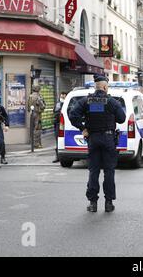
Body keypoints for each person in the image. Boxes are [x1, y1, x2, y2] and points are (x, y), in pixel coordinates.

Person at [69, 75, 126, 213]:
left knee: (94, 171)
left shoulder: (86, 101)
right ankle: (108, 203)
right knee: (109, 171)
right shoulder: (111, 101)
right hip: (108, 139)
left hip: (93, 139)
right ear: (105, 87)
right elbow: (122, 119)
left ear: (95, 87)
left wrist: (83, 128)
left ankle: (93, 203)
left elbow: (72, 115)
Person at [52, 91, 67, 163]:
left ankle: (63, 155)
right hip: (58, 124)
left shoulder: (67, 103)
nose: (62, 96)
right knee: (58, 140)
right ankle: (58, 156)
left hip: (66, 124)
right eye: (62, 94)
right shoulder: (58, 103)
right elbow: (55, 112)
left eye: (64, 95)